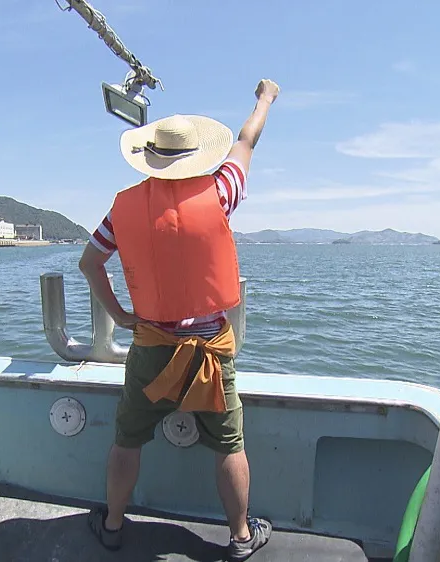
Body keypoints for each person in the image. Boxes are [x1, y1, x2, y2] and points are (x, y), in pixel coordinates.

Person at [78, 78, 280, 560]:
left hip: (150, 349)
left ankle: (111, 526)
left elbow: (90, 262)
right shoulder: (222, 189)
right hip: (209, 351)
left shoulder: (122, 208)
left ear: (148, 158)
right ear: (197, 155)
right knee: (229, 445)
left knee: (128, 439)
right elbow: (246, 140)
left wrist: (120, 315)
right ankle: (240, 539)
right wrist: (264, 99)